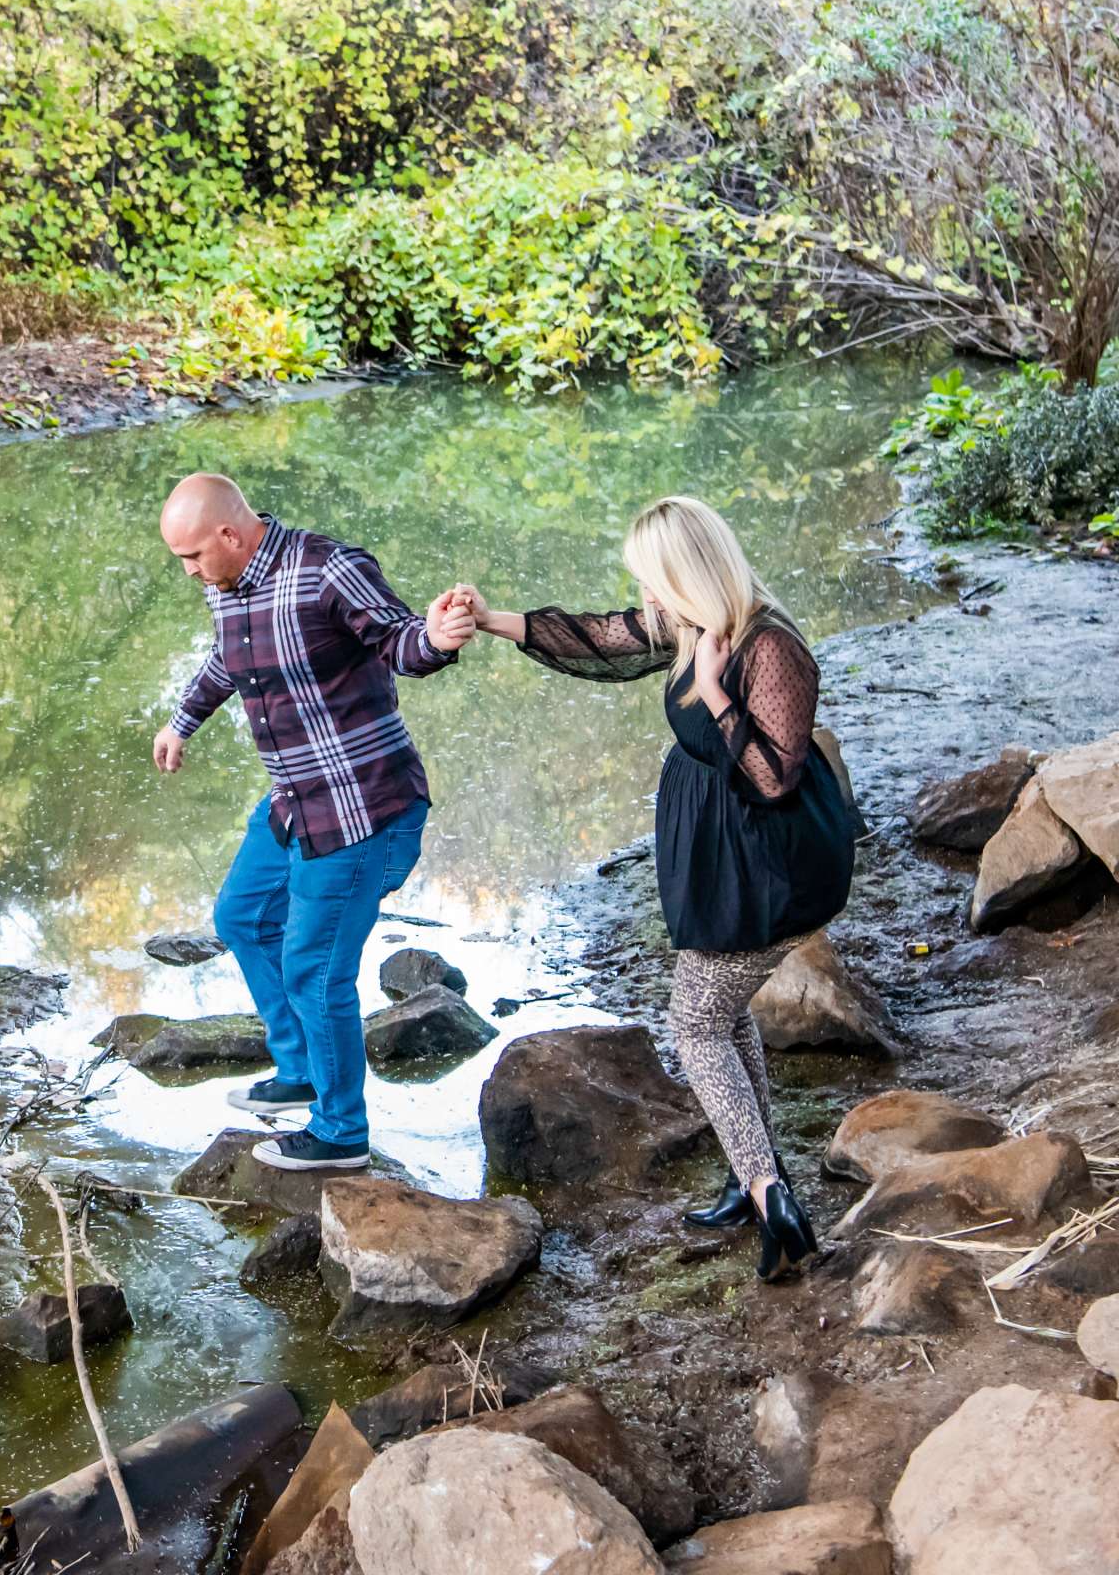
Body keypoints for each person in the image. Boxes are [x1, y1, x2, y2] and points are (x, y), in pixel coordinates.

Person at [443, 495, 856, 1279]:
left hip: (771, 864)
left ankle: (773, 1197)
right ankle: (751, 1176)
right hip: (723, 856)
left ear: (689, 575)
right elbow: (602, 639)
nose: (646, 602)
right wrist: (495, 620)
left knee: (696, 1022)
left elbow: (773, 778)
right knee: (724, 1015)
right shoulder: (691, 622)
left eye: (654, 584)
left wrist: (717, 690)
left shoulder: (768, 646)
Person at [153, 473, 476, 1171]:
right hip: (294, 802)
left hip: (364, 808)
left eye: (192, 558)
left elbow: (402, 643)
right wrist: (183, 722)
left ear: (229, 536)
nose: (189, 573)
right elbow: (226, 659)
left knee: (315, 969)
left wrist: (441, 636)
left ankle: (340, 1133)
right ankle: (301, 1066)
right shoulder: (227, 583)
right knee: (242, 915)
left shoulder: (328, 569)